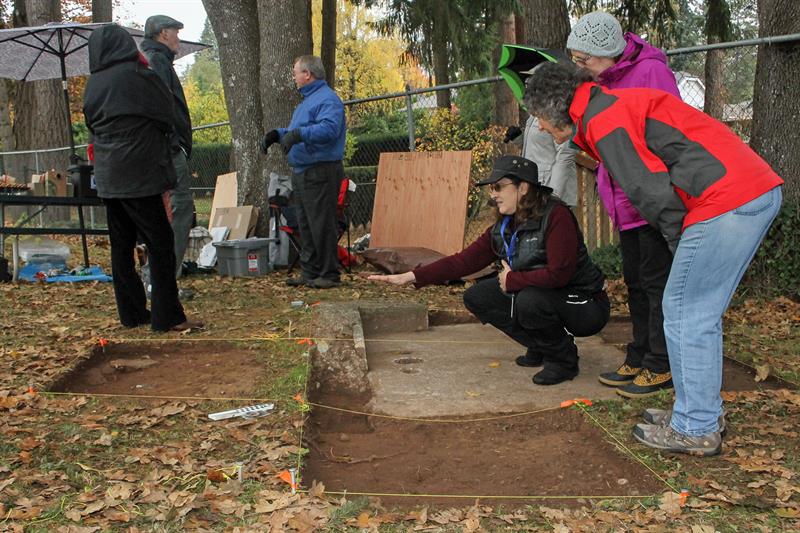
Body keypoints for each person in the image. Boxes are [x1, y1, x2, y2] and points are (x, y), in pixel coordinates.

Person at [525, 62, 783, 455]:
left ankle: (696, 425)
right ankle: (698, 412)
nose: (540, 127)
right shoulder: (606, 109)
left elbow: (655, 195)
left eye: (539, 118)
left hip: (726, 199)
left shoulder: (604, 119)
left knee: (685, 311)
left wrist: (681, 247)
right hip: (742, 192)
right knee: (692, 312)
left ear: (555, 107)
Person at [369, 155, 610, 385]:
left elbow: (560, 274)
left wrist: (514, 280)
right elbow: (462, 262)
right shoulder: (504, 226)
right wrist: (411, 276)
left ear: (523, 188)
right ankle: (543, 344)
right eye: (491, 188)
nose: (492, 194)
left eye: (498, 187)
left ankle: (563, 360)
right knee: (478, 296)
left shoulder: (556, 216)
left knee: (529, 300)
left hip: (584, 303)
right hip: (542, 294)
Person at [566, 11, 679, 398]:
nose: (582, 68)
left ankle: (661, 363)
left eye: (586, 60)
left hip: (651, 197)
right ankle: (640, 353)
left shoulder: (651, 73)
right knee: (634, 283)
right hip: (622, 199)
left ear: (609, 52)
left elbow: (668, 131)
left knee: (655, 283)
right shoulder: (601, 82)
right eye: (576, 60)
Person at [83, 24, 202, 332]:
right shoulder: (139, 75)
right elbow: (166, 113)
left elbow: (91, 123)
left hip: (109, 175)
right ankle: (168, 316)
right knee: (160, 243)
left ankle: (132, 312)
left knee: (121, 246)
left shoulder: (94, 83)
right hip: (139, 171)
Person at [261, 55, 346, 289]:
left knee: (321, 223)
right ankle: (310, 272)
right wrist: (277, 134)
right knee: (306, 223)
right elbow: (297, 129)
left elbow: (329, 129)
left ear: (308, 74)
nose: (294, 77)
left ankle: (329, 274)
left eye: (296, 73)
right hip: (304, 170)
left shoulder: (328, 99)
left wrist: (298, 135)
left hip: (320, 170)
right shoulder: (307, 102)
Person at [140, 15, 195, 283]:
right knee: (179, 210)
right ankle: (163, 281)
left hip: (164, 149)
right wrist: (176, 145)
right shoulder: (158, 61)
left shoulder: (152, 59)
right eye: (176, 33)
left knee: (168, 213)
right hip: (169, 152)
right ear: (163, 34)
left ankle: (158, 278)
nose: (178, 39)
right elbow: (162, 106)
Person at [505, 114, 578, 207]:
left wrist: (553, 195)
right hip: (537, 189)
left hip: (553, 193)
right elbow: (537, 148)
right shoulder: (534, 115)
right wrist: (518, 138)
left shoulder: (555, 111)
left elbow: (565, 155)